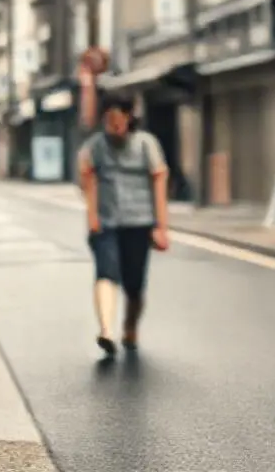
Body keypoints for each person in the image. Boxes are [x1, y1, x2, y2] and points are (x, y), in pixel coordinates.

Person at [77, 92, 170, 357]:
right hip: (107, 224)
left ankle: (130, 327)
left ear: (129, 119)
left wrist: (161, 226)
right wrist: (92, 218)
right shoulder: (95, 146)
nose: (114, 128)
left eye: (118, 122)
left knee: (134, 285)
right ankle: (106, 331)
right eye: (109, 121)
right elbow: (89, 181)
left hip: (139, 223)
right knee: (106, 273)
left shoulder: (145, 144)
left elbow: (159, 182)